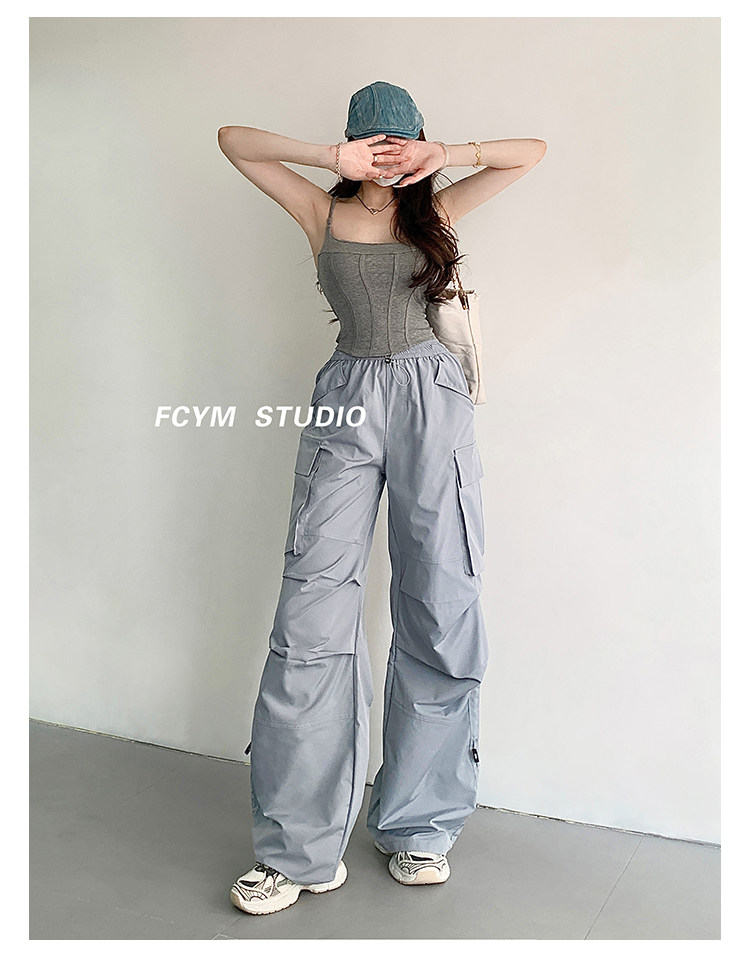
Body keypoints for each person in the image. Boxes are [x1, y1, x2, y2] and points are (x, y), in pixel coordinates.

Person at [217, 81, 546, 916]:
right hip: (346, 399)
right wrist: (330, 158)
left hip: (431, 399)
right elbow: (232, 139)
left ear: (418, 141)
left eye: (402, 142)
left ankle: (418, 825)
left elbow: (532, 152)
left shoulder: (437, 211)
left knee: (441, 599)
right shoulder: (319, 209)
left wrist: (448, 155)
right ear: (354, 143)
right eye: (375, 143)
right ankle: (298, 849)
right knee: (311, 614)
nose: (389, 157)